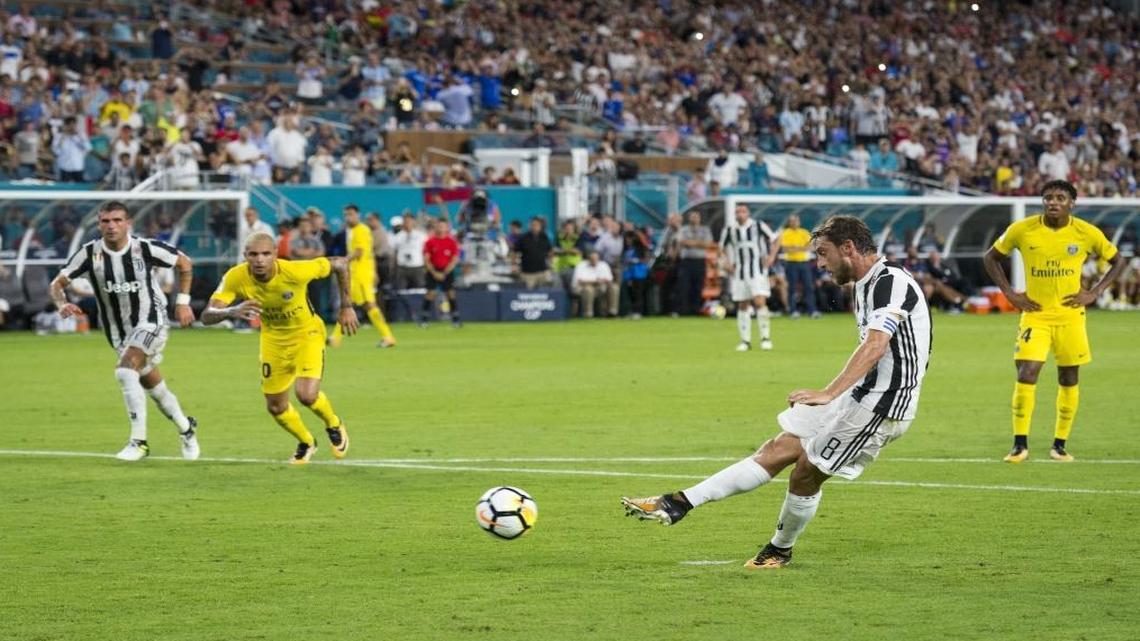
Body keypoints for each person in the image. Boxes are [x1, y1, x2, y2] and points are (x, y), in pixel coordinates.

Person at [622, 216, 932, 568]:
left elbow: (876, 344)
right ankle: (677, 502)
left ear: (848, 248)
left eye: (823, 253)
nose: (820, 263)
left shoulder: (890, 282)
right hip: (861, 393)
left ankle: (779, 549)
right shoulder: (865, 282)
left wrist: (829, 392)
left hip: (883, 405)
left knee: (806, 471)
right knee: (779, 446)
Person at [982, 179, 1125, 463]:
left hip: (1071, 317)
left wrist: (1094, 292)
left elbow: (1119, 261)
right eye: (1048, 197)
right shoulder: (1022, 229)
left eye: (1060, 197)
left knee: (1069, 377)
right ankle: (1019, 445)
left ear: (1072, 202)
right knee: (1027, 373)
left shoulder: (1086, 232)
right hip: (1035, 315)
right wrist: (1010, 294)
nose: (1053, 202)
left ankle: (1059, 445)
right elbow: (991, 257)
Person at [50, 201, 200, 461]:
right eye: (106, 221)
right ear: (99, 224)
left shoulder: (145, 248)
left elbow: (184, 263)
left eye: (118, 220)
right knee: (154, 387)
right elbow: (57, 283)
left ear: (128, 223)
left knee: (125, 369)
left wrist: (183, 303)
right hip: (118, 333)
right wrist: (62, 304)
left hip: (152, 321)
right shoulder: (89, 254)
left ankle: (139, 442)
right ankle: (186, 429)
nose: (112, 226)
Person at [201, 232, 358, 464]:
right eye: (253, 255)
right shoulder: (235, 277)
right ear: (245, 256)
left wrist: (346, 307)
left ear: (275, 254)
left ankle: (334, 424)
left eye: (265, 254)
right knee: (276, 407)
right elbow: (207, 315)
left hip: (307, 333)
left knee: (306, 395)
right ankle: (306, 442)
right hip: (273, 339)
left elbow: (341, 264)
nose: (259, 260)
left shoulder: (295, 271)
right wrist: (231, 311)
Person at [329, 204, 397, 348]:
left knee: (367, 304)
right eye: (346, 215)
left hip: (362, 274)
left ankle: (388, 336)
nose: (348, 217)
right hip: (356, 273)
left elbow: (359, 251)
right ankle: (335, 338)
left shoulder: (362, 230)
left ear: (358, 215)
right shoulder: (351, 230)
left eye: (351, 214)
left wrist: (343, 261)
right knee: (348, 303)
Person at [720, 203, 776, 351]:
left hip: (757, 271)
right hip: (739, 272)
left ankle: (765, 337)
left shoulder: (758, 226)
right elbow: (721, 249)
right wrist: (726, 263)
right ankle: (745, 341)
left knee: (759, 301)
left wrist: (771, 257)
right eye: (738, 212)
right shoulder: (730, 230)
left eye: (743, 212)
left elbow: (776, 239)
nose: (740, 214)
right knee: (743, 304)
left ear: (748, 213)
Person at [421, 218, 462, 327]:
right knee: (430, 294)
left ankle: (455, 319)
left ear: (447, 227)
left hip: (447, 271)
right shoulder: (430, 242)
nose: (441, 228)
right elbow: (426, 259)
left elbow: (454, 259)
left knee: (451, 294)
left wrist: (445, 273)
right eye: (439, 226)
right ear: (436, 227)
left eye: (443, 226)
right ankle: (424, 319)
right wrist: (434, 272)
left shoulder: (452, 242)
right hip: (433, 271)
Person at [777, 214, 819, 318]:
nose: (794, 222)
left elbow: (812, 247)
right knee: (792, 288)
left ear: (799, 222)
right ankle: (793, 311)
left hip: (804, 263)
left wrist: (796, 248)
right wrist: (802, 248)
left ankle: (812, 311)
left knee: (809, 287)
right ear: (789, 222)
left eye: (796, 220)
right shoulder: (786, 233)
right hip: (791, 263)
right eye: (792, 221)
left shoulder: (803, 232)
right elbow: (785, 249)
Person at [675, 211, 715, 315]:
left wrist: (691, 243)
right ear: (689, 218)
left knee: (698, 286)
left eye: (696, 217)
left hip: (699, 261)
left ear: (700, 218)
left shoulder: (705, 230)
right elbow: (681, 242)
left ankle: (696, 310)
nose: (694, 219)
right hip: (686, 261)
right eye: (692, 217)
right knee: (684, 286)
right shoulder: (683, 229)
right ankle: (683, 310)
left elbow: (708, 244)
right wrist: (699, 243)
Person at [571, 250, 614, 318]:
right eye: (592, 259)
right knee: (589, 289)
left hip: (599, 288)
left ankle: (612, 312)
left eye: (596, 259)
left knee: (614, 287)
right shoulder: (581, 265)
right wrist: (595, 282)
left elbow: (609, 280)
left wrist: (602, 281)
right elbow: (579, 281)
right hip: (582, 288)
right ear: (588, 259)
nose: (594, 260)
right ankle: (588, 314)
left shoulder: (603, 265)